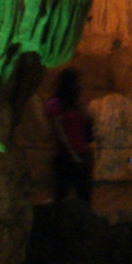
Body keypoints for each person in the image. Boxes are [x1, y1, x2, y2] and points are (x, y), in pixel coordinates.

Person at [44, 69, 93, 205]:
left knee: (84, 197)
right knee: (60, 196)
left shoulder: (77, 104)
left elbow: (85, 130)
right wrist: (73, 155)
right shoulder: (55, 104)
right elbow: (59, 132)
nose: (80, 85)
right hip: (63, 157)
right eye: (77, 82)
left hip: (81, 154)